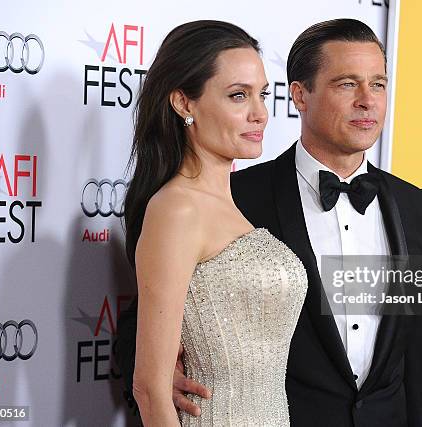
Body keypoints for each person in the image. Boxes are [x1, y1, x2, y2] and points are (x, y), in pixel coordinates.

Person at [117, 18, 422, 426]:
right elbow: (147, 322)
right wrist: (163, 380)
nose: (367, 101)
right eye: (346, 84)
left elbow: (414, 351)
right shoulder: (238, 196)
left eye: (378, 84)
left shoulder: (415, 207)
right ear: (300, 95)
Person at [123, 20, 308, 426]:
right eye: (238, 96)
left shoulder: (234, 204)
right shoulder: (176, 209)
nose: (259, 113)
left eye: (262, 94)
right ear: (184, 103)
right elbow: (151, 388)